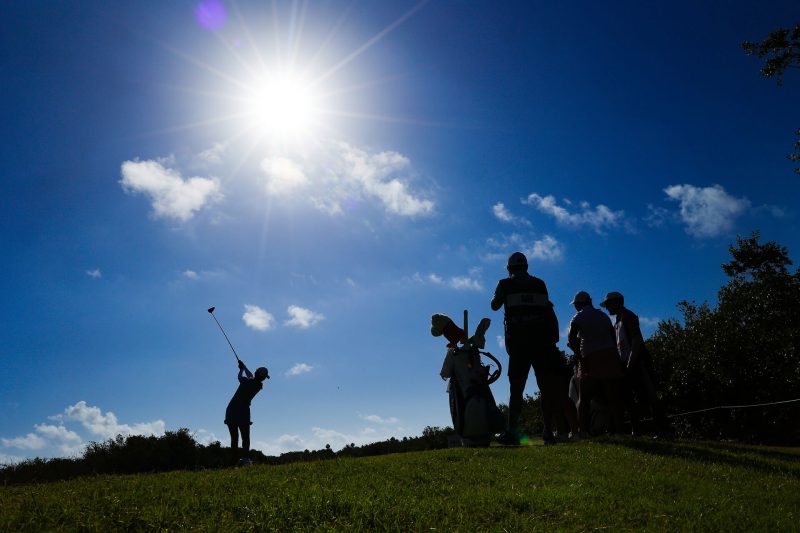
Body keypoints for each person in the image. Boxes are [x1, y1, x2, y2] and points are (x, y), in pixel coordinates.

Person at [490, 251, 577, 445]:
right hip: (543, 344)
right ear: (527, 266)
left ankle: (513, 432)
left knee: (516, 389)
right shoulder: (540, 284)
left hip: (519, 344)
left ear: (509, 268)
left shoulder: (505, 284)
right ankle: (549, 432)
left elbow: (494, 306)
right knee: (547, 388)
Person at [600, 291, 671, 437]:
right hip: (627, 364)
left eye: (608, 304)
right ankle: (636, 430)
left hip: (638, 363)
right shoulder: (618, 322)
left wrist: (631, 363)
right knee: (629, 398)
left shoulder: (628, 317)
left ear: (616, 303)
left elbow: (636, 340)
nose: (607, 308)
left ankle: (664, 430)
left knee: (650, 396)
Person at [567, 291, 625, 435]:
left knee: (584, 397)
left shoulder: (578, 316)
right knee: (613, 396)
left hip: (590, 357)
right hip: (610, 355)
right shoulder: (603, 316)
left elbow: (571, 338)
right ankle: (619, 430)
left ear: (579, 304)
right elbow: (612, 336)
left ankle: (584, 431)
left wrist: (579, 356)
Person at [225, 360, 269, 465]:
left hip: (231, 410)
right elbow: (252, 377)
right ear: (262, 377)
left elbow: (241, 377)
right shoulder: (259, 385)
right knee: (245, 437)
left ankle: (234, 461)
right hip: (243, 412)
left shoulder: (246, 381)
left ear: (256, 373)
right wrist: (244, 367)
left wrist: (241, 370)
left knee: (234, 438)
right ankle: (245, 459)